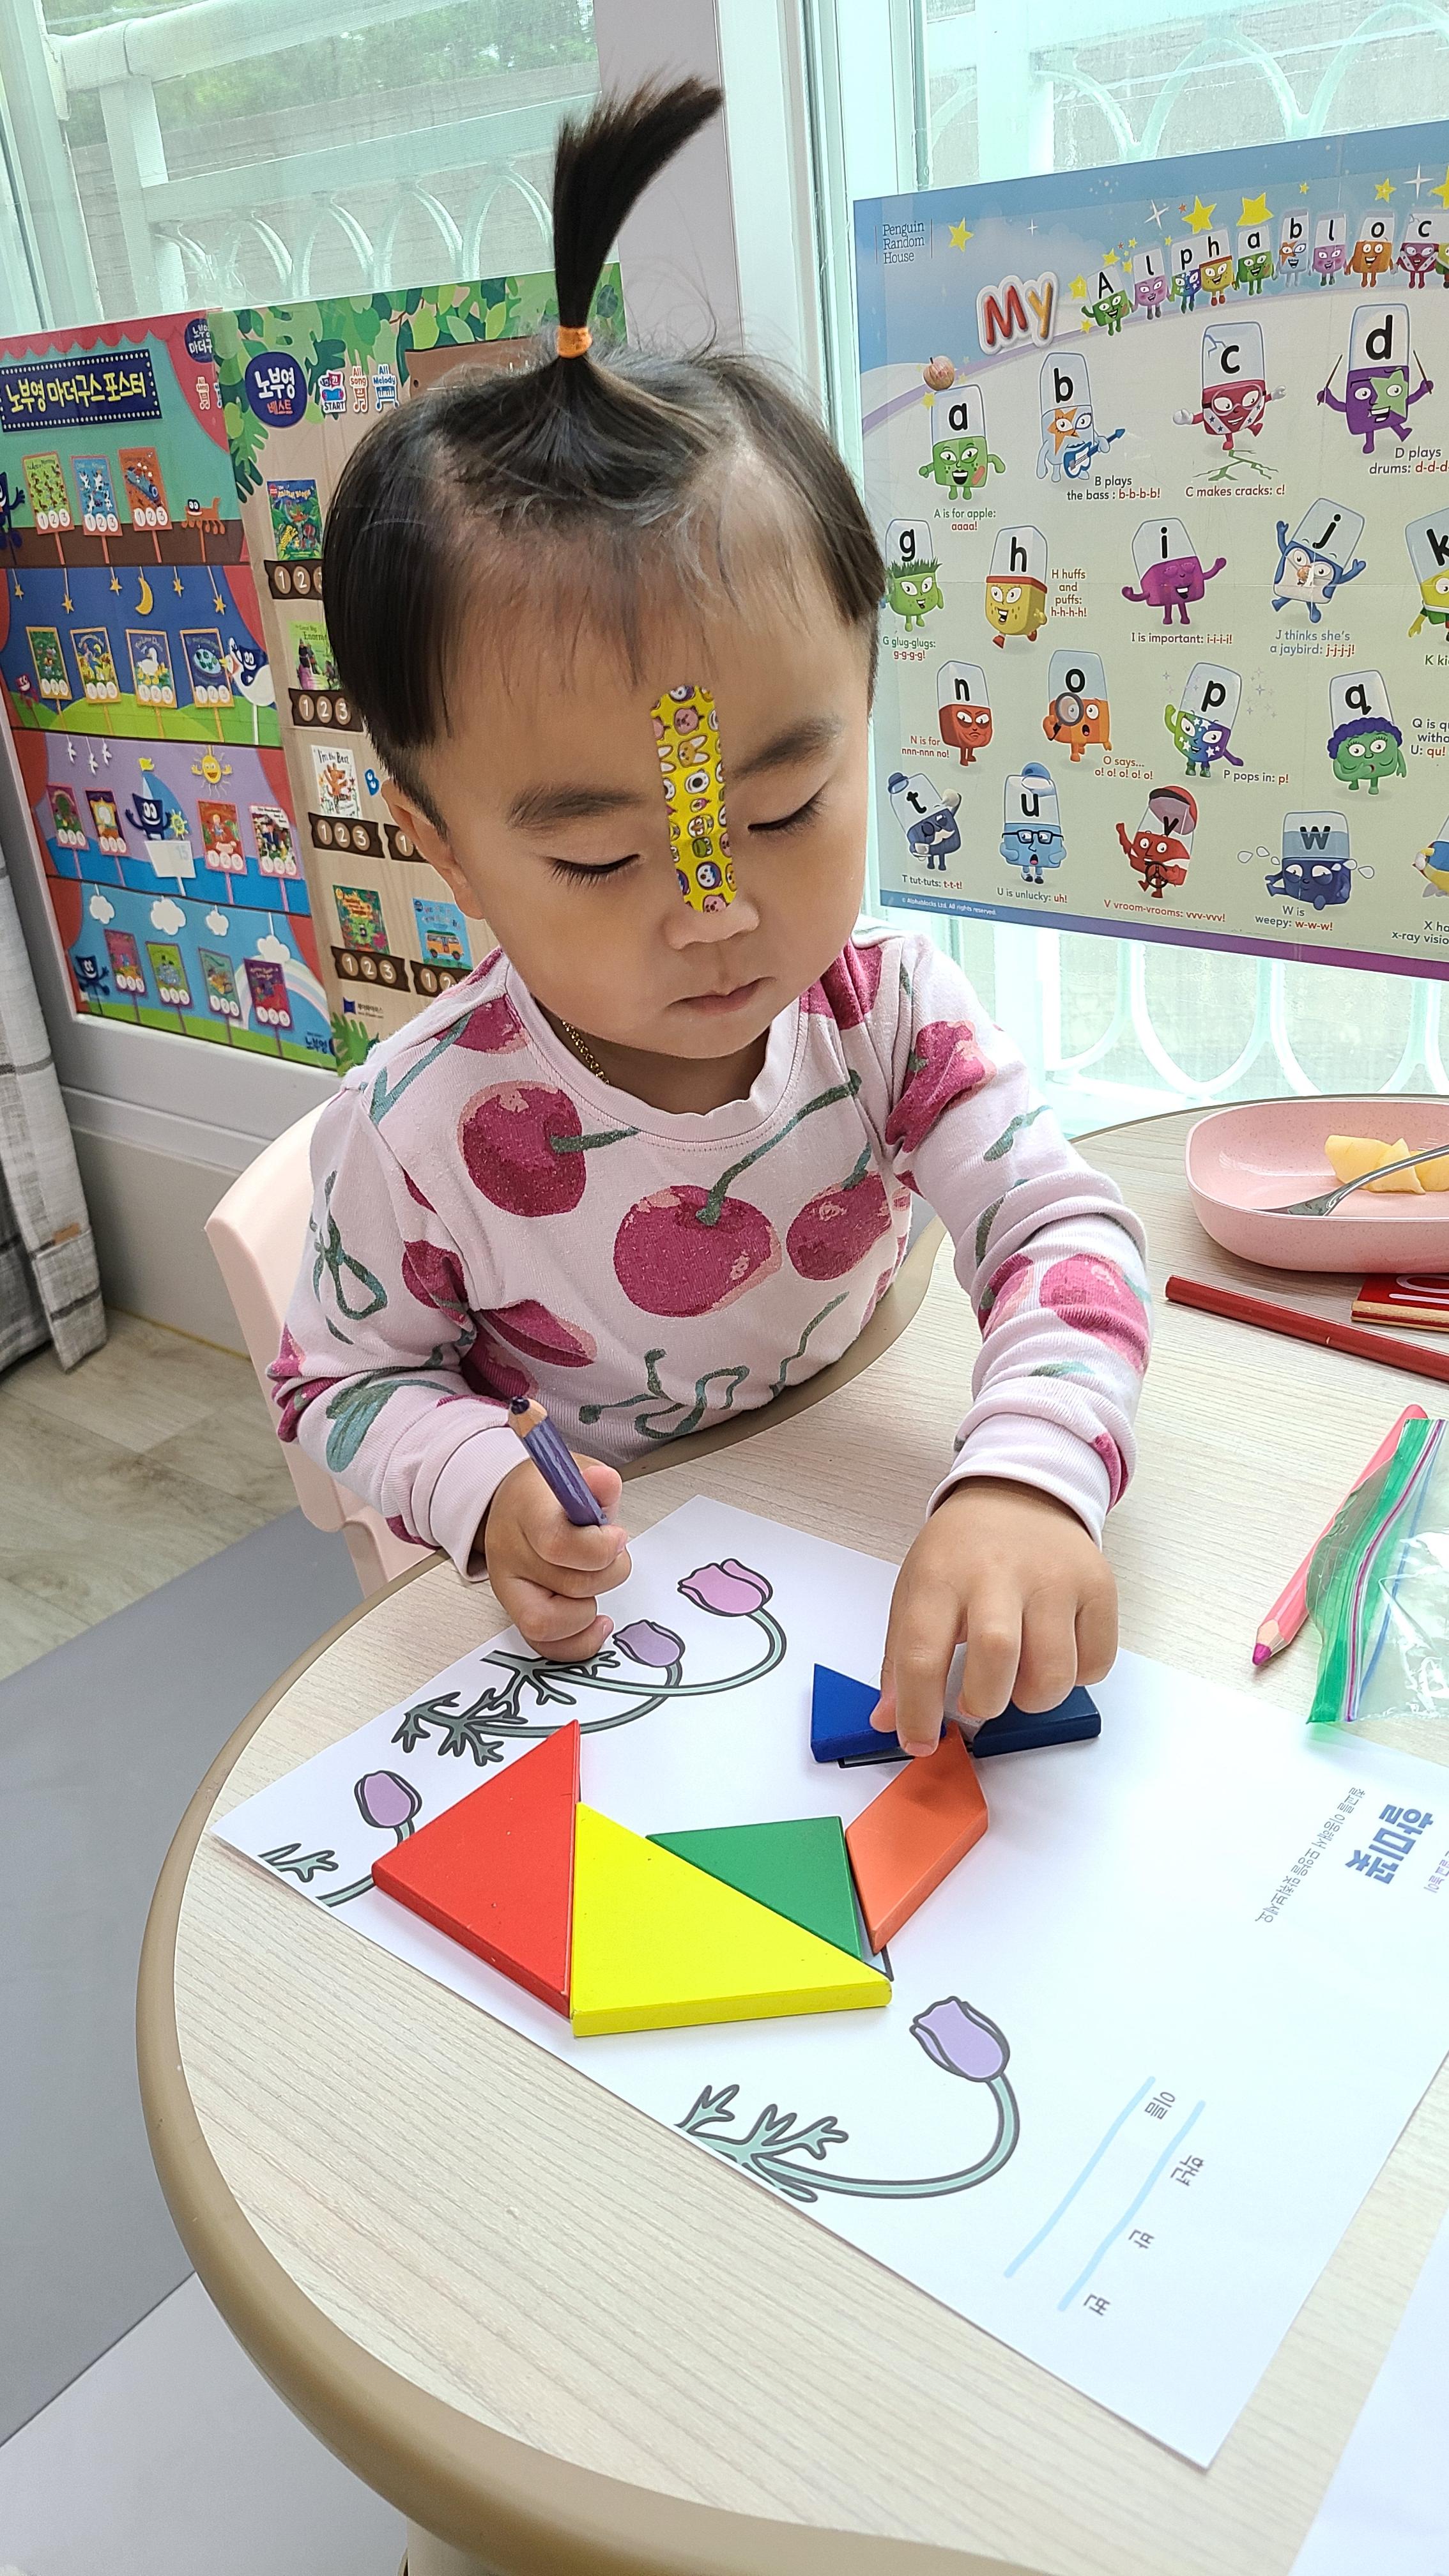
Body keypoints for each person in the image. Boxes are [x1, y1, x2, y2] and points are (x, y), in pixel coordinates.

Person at [272, 79, 1150, 1758]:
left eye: (785, 808)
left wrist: (1030, 1476)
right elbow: (338, 1381)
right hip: (645, 1610)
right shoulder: (421, 1133)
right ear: (439, 843)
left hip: (860, 1477)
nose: (716, 912)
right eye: (606, 862)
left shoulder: (885, 1013)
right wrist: (476, 1487)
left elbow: (1063, 1232)